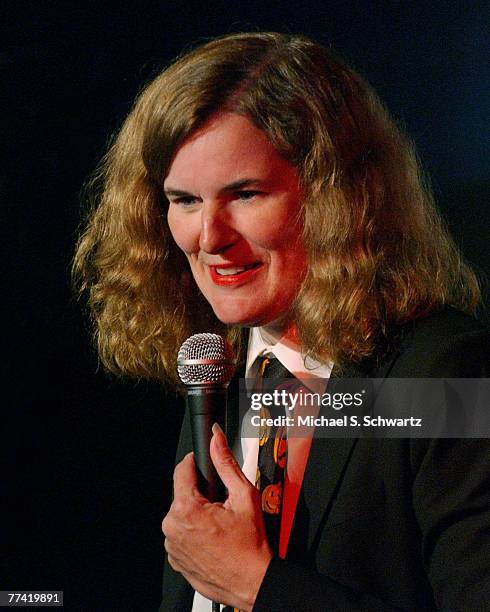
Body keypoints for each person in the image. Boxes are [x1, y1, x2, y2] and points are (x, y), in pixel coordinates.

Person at [73, 32, 490, 611]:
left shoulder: (447, 373)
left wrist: (256, 584)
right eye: (185, 200)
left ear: (338, 197)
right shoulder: (220, 374)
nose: (209, 238)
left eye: (245, 194)